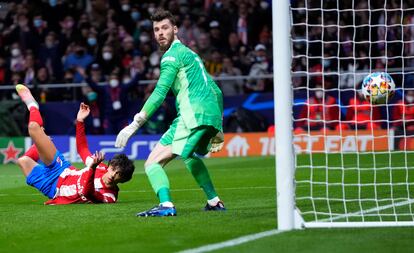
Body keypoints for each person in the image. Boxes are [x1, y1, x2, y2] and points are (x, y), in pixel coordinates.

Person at [115, 9, 225, 217]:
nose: (160, 33)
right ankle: (214, 201)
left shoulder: (171, 57)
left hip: (191, 116)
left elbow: (159, 92)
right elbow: (217, 91)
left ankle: (166, 205)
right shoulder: (191, 55)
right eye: (156, 29)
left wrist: (134, 124)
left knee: (152, 163)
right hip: (209, 116)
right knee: (190, 155)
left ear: (175, 29)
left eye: (165, 28)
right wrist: (218, 126)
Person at [15, 84, 135, 204]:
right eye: (113, 169)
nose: (113, 174)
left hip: (52, 188)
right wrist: (80, 121)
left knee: (23, 161)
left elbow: (88, 193)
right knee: (33, 127)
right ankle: (32, 105)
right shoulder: (100, 166)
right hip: (61, 168)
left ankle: (40, 143)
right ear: (109, 166)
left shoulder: (109, 196)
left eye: (119, 174)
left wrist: (92, 168)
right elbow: (82, 149)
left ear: (123, 180)